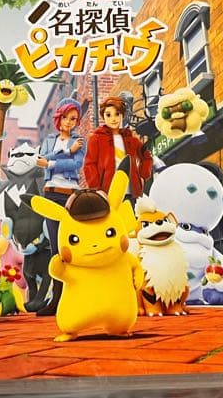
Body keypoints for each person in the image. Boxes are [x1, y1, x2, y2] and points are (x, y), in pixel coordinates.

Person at [33, 98, 85, 315]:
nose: (69, 122)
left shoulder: (79, 140)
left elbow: (76, 164)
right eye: (65, 117)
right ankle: (57, 298)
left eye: (73, 118)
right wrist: (66, 151)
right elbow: (40, 159)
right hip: (51, 194)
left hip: (71, 195)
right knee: (55, 249)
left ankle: (77, 296)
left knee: (73, 246)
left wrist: (52, 163)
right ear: (59, 118)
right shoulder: (49, 140)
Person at [83, 96, 153, 199]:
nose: (113, 119)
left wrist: (142, 177)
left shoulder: (132, 140)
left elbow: (147, 157)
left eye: (117, 114)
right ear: (103, 116)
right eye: (108, 115)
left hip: (132, 193)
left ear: (122, 115)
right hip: (108, 193)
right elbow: (89, 165)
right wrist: (97, 189)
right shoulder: (96, 139)